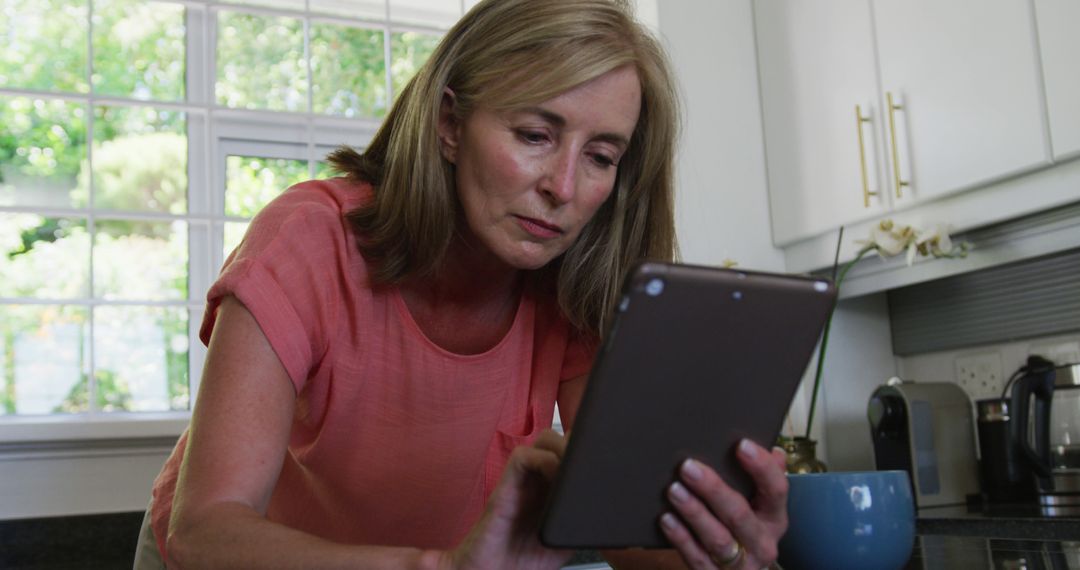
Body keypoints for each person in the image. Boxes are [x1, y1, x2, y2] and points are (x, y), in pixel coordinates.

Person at [132, 0, 790, 568]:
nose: (562, 187)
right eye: (535, 134)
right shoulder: (309, 241)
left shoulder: (569, 289)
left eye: (600, 157)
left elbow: (614, 526)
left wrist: (726, 554)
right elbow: (205, 532)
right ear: (450, 123)